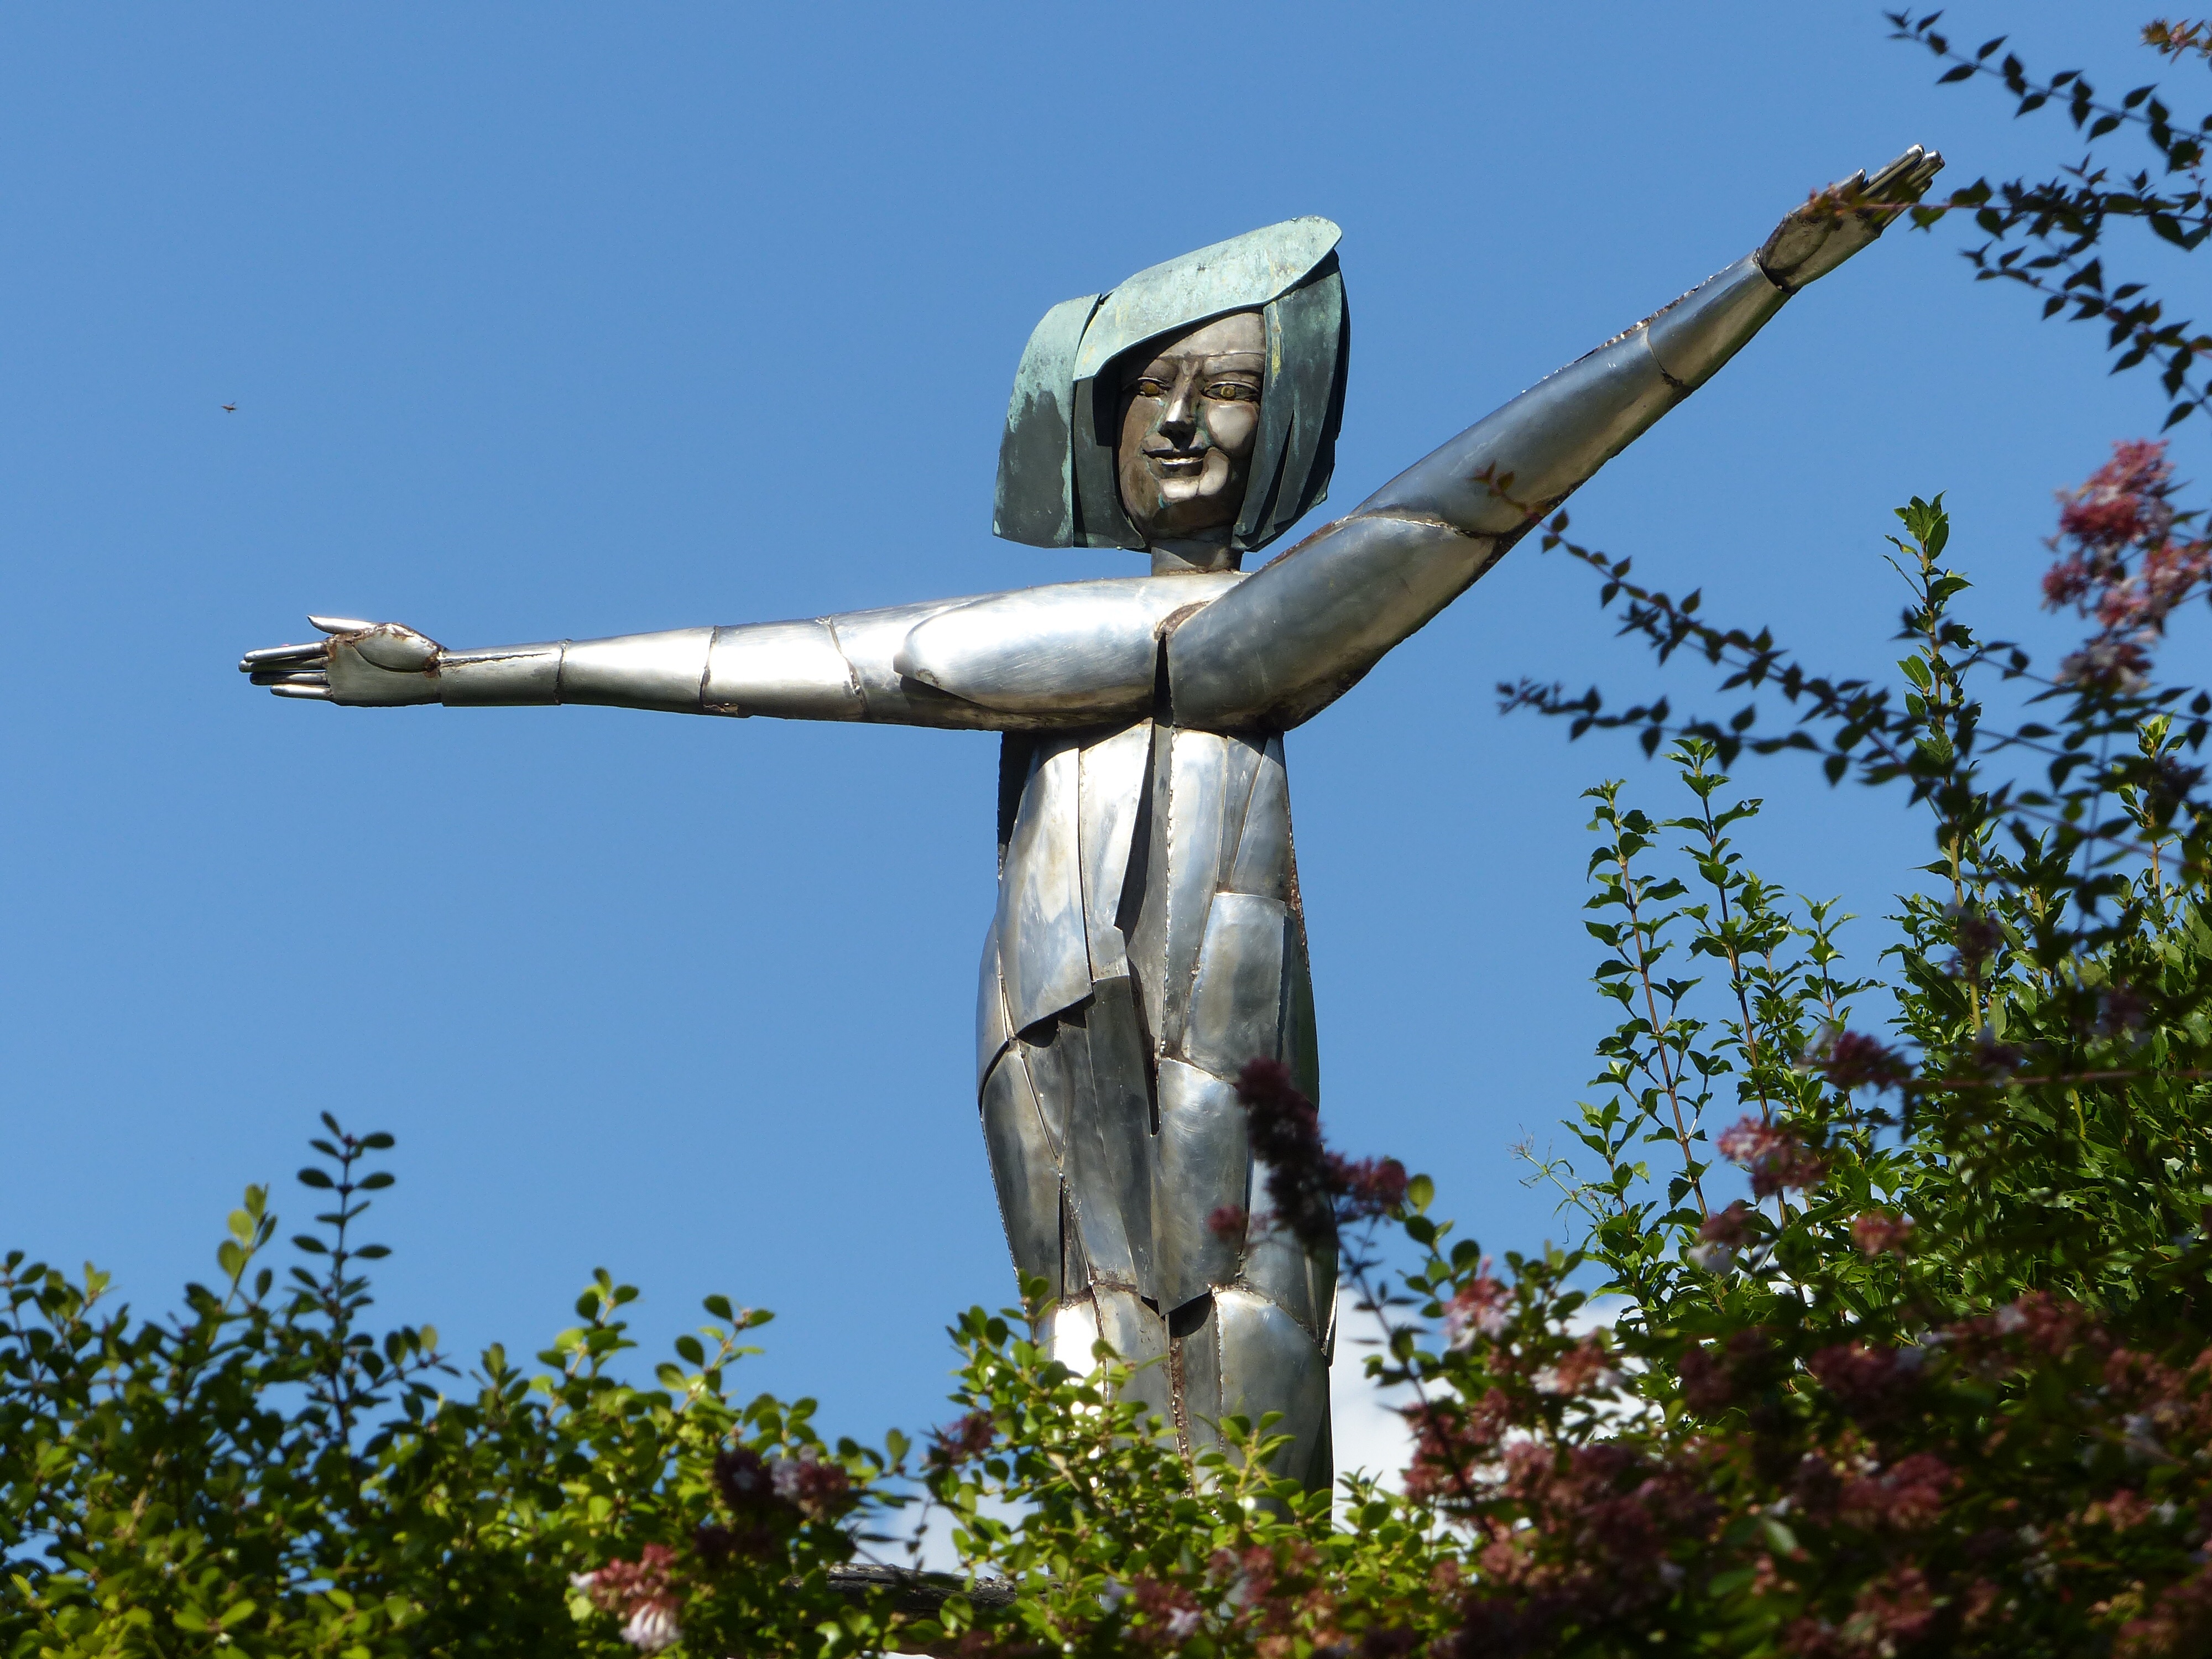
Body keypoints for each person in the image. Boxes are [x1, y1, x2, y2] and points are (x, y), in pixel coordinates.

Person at [241, 147, 1942, 1490]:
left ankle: (1256, 1597)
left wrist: (1759, 284)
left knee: (1244, 1288)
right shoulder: (1052, 647)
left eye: (1228, 385)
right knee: (1080, 1311)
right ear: (1103, 429)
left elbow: (1475, 498)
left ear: (1280, 419)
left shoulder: (1253, 634)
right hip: (1046, 1007)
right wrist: (463, 675)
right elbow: (794, 663)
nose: (1187, 419)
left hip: (1217, 1015)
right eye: (1154, 391)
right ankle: (1106, 1578)